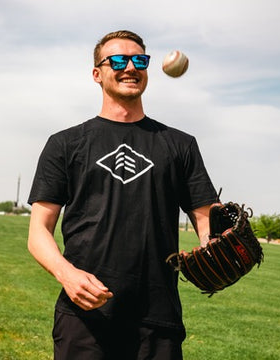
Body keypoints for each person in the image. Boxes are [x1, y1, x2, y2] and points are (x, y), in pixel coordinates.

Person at [28, 30, 218, 359]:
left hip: (157, 319)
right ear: (97, 74)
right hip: (85, 317)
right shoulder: (65, 144)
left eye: (139, 60)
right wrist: (67, 274)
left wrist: (214, 245)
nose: (130, 66)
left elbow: (206, 219)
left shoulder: (180, 145)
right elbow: (38, 232)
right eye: (117, 60)